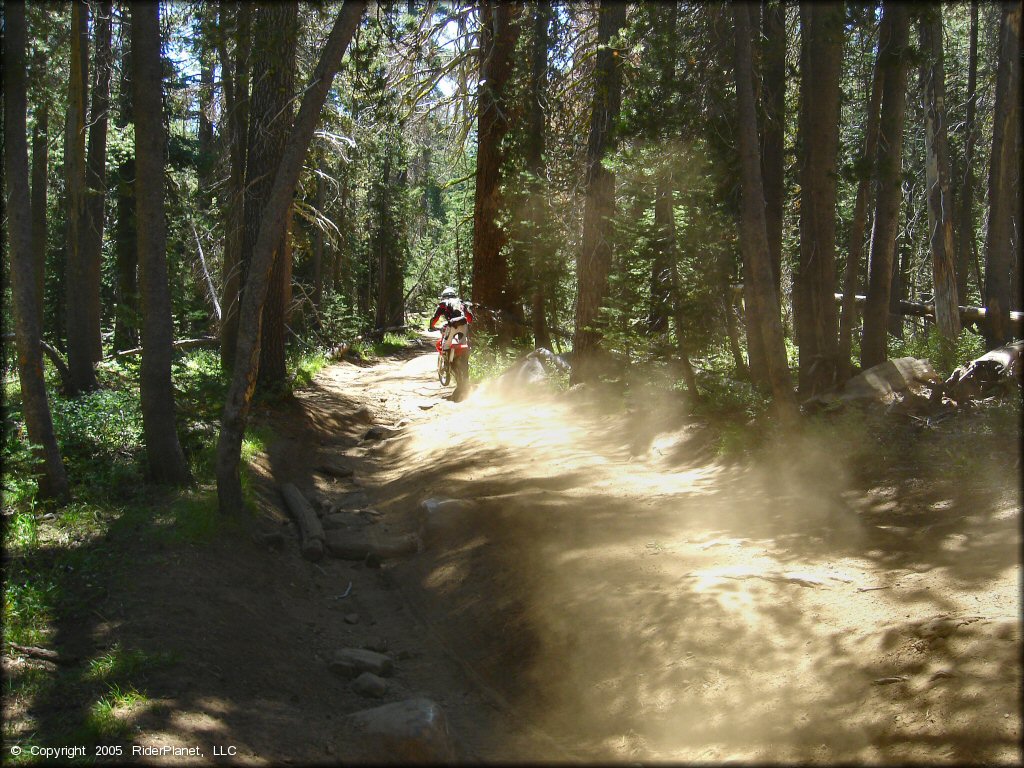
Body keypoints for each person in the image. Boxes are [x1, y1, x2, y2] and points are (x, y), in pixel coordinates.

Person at [427, 287, 472, 351]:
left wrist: (432, 326)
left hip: (451, 325)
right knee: (464, 346)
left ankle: (446, 360)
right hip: (463, 324)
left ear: (443, 296)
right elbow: (469, 317)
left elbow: (435, 318)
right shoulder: (461, 303)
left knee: (445, 347)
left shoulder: (443, 304)